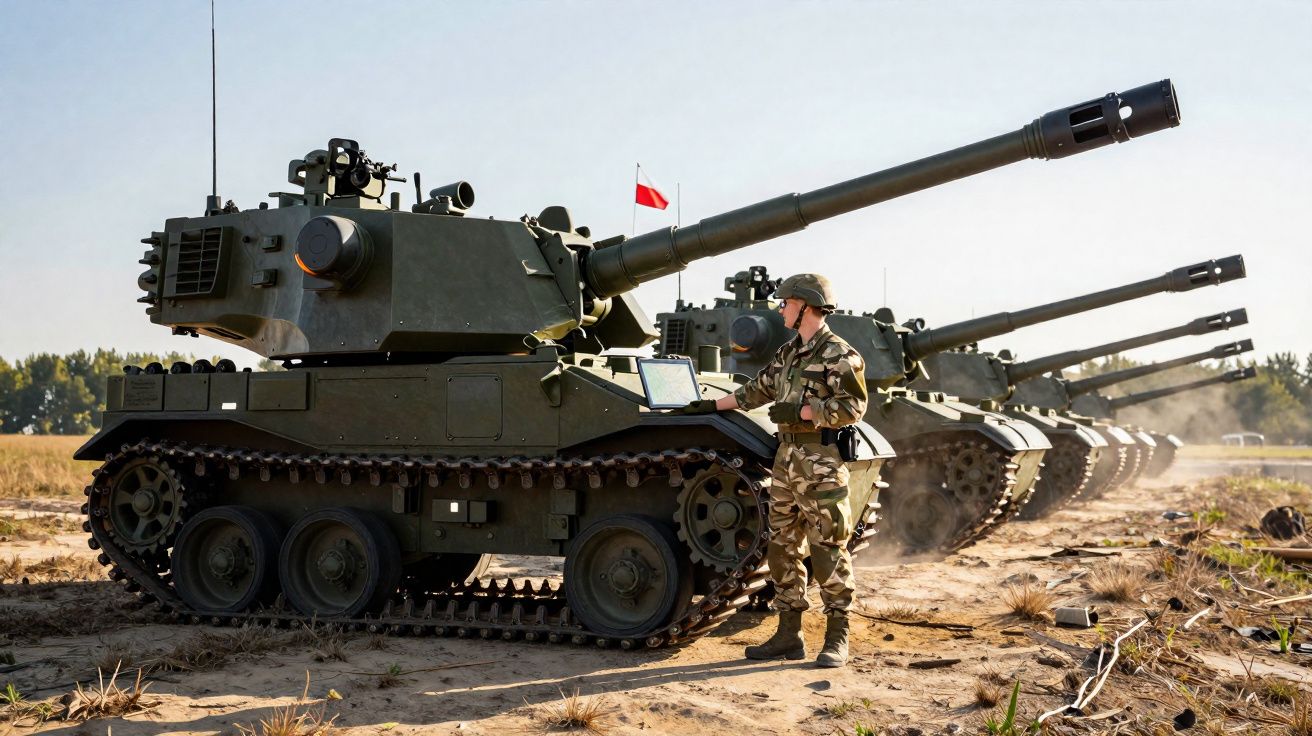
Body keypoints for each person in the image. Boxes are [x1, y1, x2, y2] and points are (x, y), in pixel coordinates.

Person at [676, 273, 868, 667]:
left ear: (806, 306)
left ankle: (837, 636)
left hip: (821, 463)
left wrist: (804, 412)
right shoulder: (788, 354)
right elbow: (755, 391)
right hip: (786, 462)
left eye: (786, 304)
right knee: (782, 548)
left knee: (828, 547)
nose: (780, 310)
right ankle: (788, 634)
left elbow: (854, 407)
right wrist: (709, 406)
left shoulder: (839, 353)